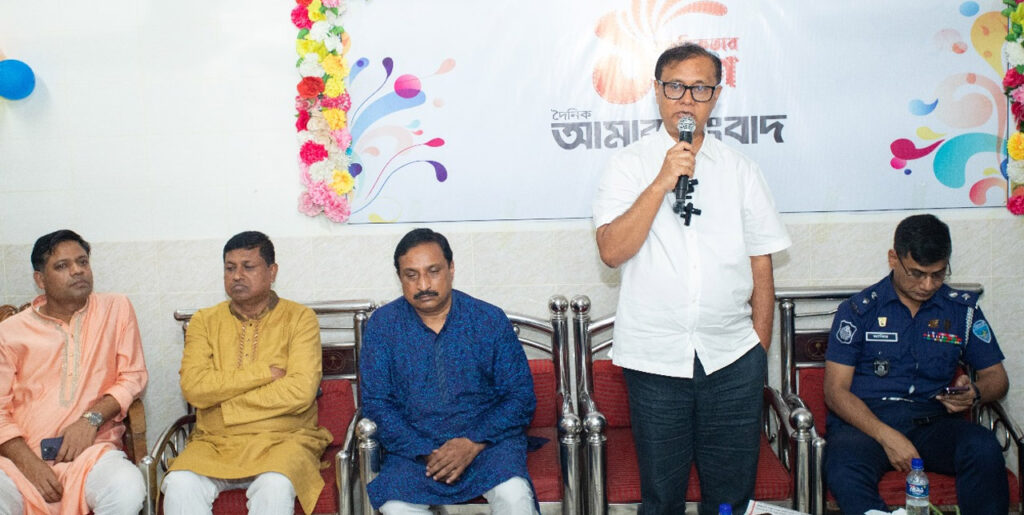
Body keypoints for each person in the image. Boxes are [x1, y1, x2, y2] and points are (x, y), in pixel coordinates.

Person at [592, 43, 791, 515]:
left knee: (730, 497)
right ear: (657, 91)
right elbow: (612, 251)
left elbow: (761, 265)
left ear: (716, 96)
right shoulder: (627, 166)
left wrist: (757, 349)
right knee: (662, 497)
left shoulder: (741, 171)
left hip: (732, 360)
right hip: (655, 360)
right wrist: (662, 180)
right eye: (676, 87)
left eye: (700, 88)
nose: (687, 99)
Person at [823, 214, 1009, 515]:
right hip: (867, 425)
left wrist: (974, 392)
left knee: (983, 447)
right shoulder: (858, 310)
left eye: (938, 274)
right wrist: (887, 436)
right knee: (843, 465)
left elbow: (997, 378)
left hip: (932, 422)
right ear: (893, 258)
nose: (927, 285)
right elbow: (835, 391)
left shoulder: (961, 310)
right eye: (917, 273)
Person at [360, 228, 537, 515]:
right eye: (411, 275)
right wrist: (426, 451)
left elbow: (520, 397)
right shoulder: (383, 326)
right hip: (414, 451)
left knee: (514, 496)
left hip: (488, 444)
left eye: (433, 271)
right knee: (396, 507)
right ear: (399, 277)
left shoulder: (488, 319)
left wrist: (473, 441)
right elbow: (377, 403)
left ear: (451, 269)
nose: (423, 284)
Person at [161, 231, 332, 515]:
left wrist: (222, 406)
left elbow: (300, 392)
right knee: (180, 483)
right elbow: (194, 388)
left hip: (283, 440)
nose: (237, 275)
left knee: (275, 484)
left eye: (248, 266)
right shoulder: (204, 321)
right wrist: (263, 373)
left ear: (272, 271)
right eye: (230, 268)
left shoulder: (300, 318)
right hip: (215, 443)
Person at [0, 229, 148, 514]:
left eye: (82, 262)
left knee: (127, 487)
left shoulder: (116, 308)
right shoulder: (9, 332)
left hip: (92, 454)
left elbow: (133, 376)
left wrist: (90, 420)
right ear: (40, 280)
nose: (78, 271)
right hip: (19, 462)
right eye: (62, 266)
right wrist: (30, 465)